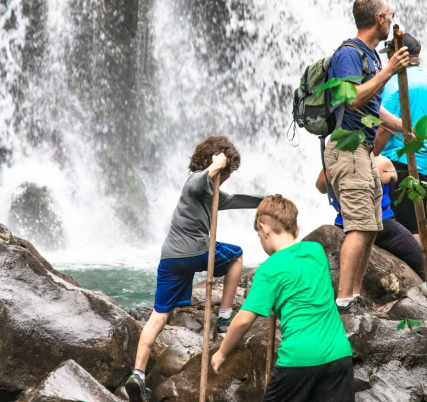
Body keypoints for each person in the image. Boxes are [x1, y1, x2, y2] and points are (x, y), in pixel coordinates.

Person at [125, 135, 264, 402]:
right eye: (227, 173)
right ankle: (224, 318)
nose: (227, 178)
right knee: (237, 257)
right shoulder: (197, 181)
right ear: (215, 163)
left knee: (159, 315)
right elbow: (197, 183)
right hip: (196, 250)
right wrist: (214, 167)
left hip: (171, 259)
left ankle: (138, 375)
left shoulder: (212, 192)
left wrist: (266, 200)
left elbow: (234, 199)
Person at [211, 195, 354, 402]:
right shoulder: (315, 251)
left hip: (299, 360)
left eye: (259, 235)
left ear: (264, 228)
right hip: (339, 354)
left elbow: (242, 320)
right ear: (296, 229)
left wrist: (222, 354)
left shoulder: (269, 269)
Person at [324, 0, 411, 312]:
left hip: (363, 149)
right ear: (379, 19)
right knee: (358, 226)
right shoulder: (349, 53)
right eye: (390, 14)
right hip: (347, 148)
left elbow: (372, 108)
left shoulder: (372, 57)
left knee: (371, 225)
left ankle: (354, 294)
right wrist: (389, 71)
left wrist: (405, 127)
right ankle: (343, 300)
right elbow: (353, 99)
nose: (392, 19)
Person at [316, 155, 427, 281]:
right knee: (425, 262)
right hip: (382, 226)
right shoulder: (381, 162)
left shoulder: (331, 167)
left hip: (343, 225)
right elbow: (393, 178)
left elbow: (320, 187)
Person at [374, 32, 427, 240]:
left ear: (395, 55)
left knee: (406, 232)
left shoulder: (394, 83)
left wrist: (370, 157)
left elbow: (383, 128)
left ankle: (420, 273)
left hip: (401, 165)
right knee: (421, 229)